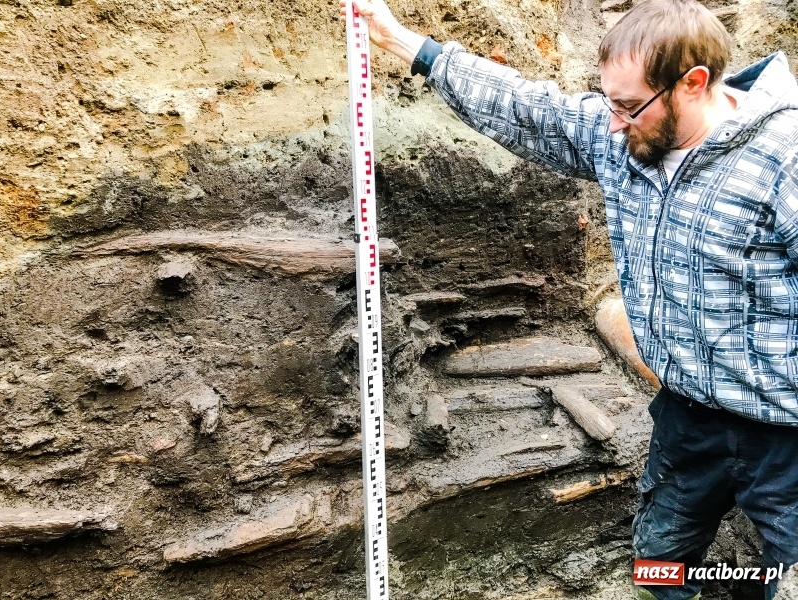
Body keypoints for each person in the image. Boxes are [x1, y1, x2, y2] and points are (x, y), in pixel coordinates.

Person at [338, 0, 798, 598]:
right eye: (609, 102)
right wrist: (405, 44)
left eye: (630, 107)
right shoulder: (625, 137)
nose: (612, 122)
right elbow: (529, 107)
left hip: (784, 434)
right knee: (660, 566)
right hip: (687, 417)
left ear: (693, 83)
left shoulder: (782, 159)